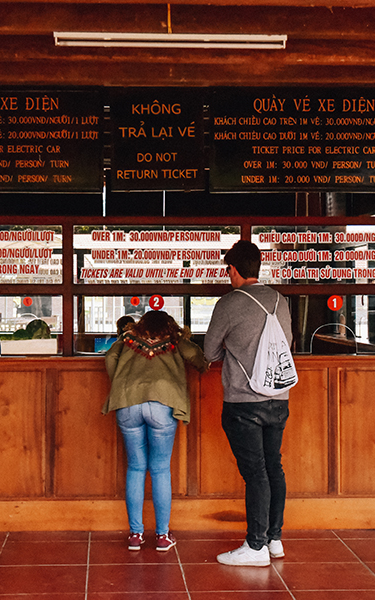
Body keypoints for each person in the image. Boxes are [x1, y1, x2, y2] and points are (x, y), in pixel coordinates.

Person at [204, 240, 292, 567]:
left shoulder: (229, 303)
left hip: (244, 401)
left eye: (228, 269)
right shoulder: (280, 300)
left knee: (255, 473)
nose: (228, 275)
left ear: (235, 269)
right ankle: (274, 539)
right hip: (278, 398)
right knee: (273, 466)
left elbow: (209, 352)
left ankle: (255, 547)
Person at [103, 310, 208, 552]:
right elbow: (195, 355)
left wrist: (119, 383)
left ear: (142, 324)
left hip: (128, 403)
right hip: (162, 405)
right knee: (160, 468)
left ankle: (135, 535)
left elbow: (110, 358)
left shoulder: (128, 339)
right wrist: (204, 366)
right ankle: (162, 536)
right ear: (169, 325)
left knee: (136, 467)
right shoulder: (175, 341)